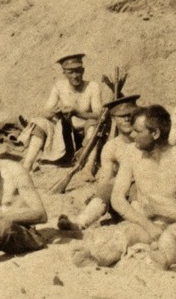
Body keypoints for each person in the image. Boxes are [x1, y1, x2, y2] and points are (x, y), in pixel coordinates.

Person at [76, 105, 176, 270]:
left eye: (138, 131)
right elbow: (117, 198)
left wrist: (161, 210)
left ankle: (164, 261)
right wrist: (147, 225)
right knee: (126, 234)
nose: (132, 135)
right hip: (145, 222)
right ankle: (97, 259)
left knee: (168, 239)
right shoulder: (132, 153)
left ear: (155, 133)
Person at [57, 94, 140, 232]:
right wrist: (100, 197)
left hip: (145, 196)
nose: (127, 119)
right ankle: (80, 223)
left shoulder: (147, 140)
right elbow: (105, 180)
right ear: (114, 118)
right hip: (121, 199)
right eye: (122, 116)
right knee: (109, 185)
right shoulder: (111, 147)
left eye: (130, 115)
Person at [20, 53, 104, 172]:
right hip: (65, 136)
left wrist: (77, 113)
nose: (75, 76)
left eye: (78, 71)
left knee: (92, 126)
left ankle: (89, 167)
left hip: (84, 136)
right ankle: (27, 166)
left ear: (83, 71)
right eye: (70, 72)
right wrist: (56, 112)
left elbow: (99, 115)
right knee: (39, 123)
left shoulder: (92, 87)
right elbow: (45, 112)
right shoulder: (59, 86)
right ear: (64, 73)